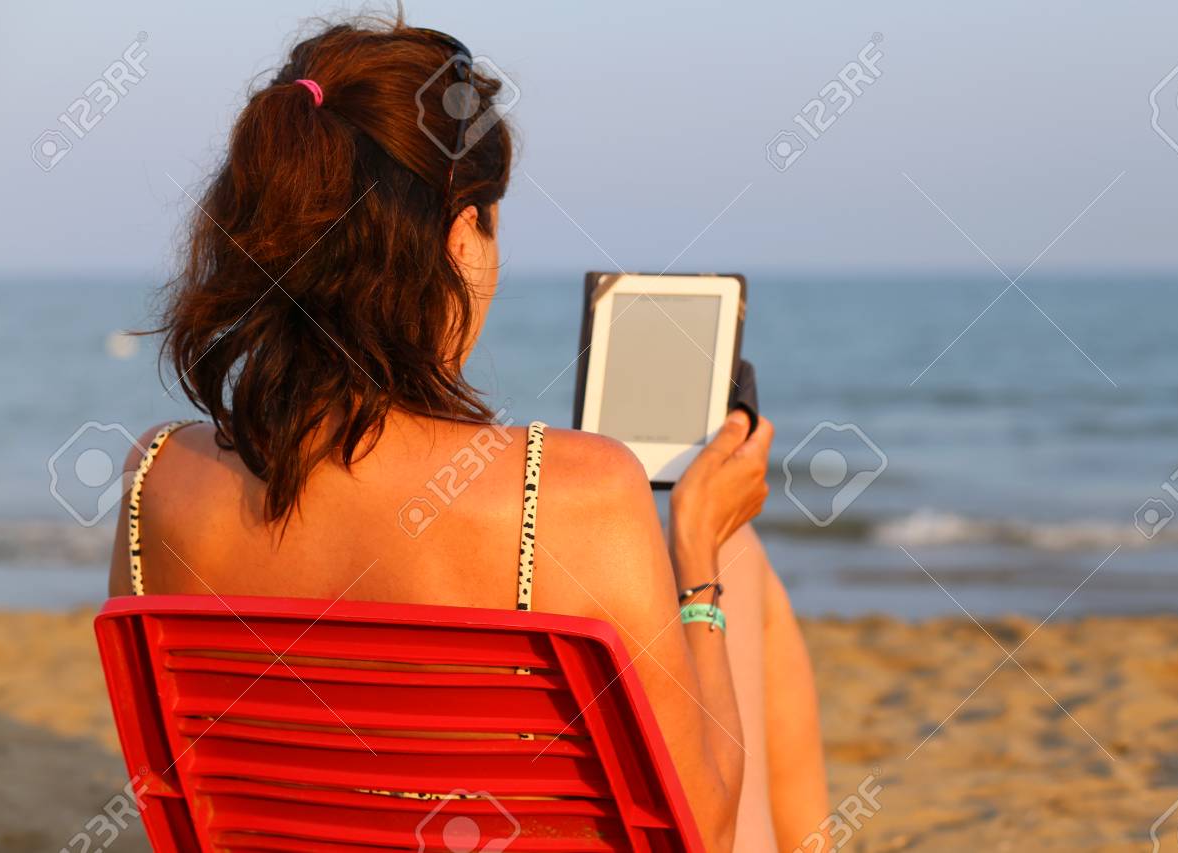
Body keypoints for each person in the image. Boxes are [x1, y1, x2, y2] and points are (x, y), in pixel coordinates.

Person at [107, 16, 828, 852]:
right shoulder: (569, 493)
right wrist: (695, 551)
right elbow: (702, 825)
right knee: (736, 563)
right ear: (459, 239)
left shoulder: (157, 477)